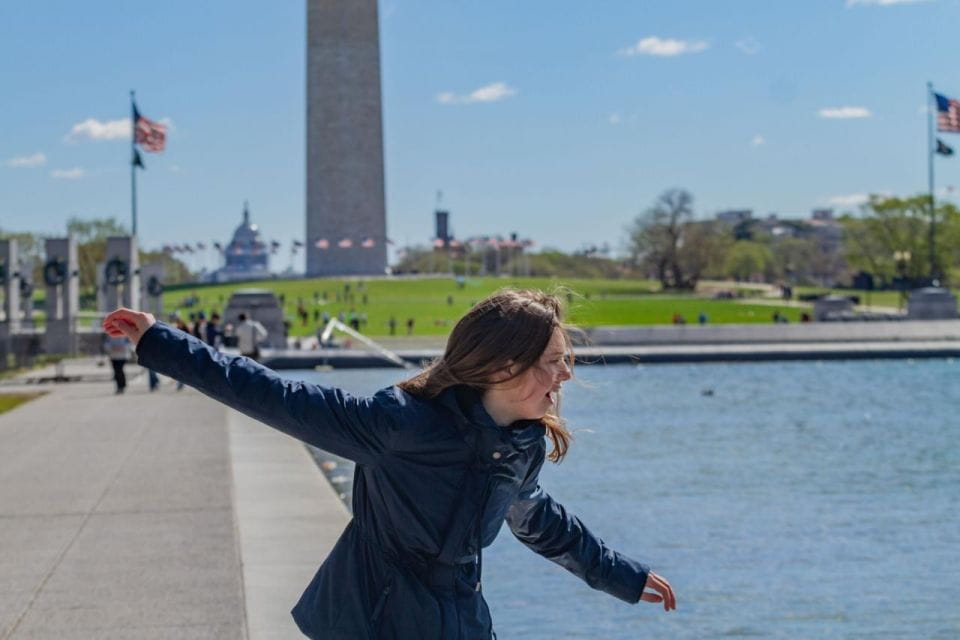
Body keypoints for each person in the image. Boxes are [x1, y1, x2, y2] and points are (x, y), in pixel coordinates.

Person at [102, 289, 676, 639]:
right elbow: (273, 395)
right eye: (554, 360)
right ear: (504, 367)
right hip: (376, 621)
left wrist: (619, 574)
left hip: (461, 619)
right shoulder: (400, 425)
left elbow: (536, 518)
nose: (567, 373)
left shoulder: (520, 443)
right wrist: (161, 342)